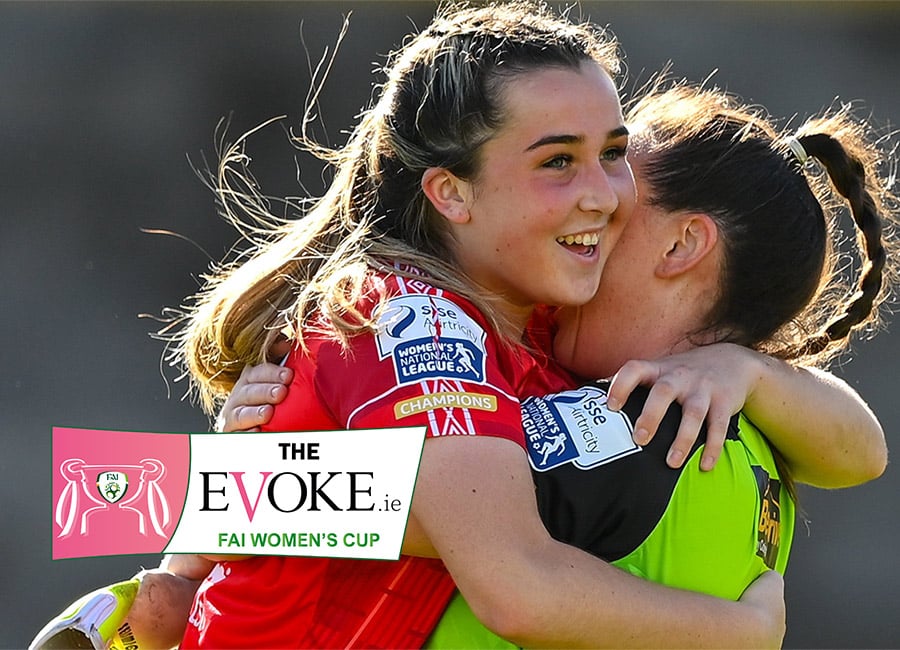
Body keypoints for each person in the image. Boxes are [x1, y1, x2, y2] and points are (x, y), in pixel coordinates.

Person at [141, 3, 790, 648]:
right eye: (557, 162)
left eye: (613, 153)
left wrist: (747, 370)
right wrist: (739, 634)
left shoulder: (536, 317)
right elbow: (517, 587)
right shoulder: (411, 320)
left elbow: (861, 454)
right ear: (452, 193)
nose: (604, 194)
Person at [217, 82, 897, 647]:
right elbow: (865, 454)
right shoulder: (757, 432)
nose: (588, 217)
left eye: (614, 202)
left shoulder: (635, 426)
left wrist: (244, 469)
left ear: (683, 245)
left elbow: (459, 526)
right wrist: (752, 371)